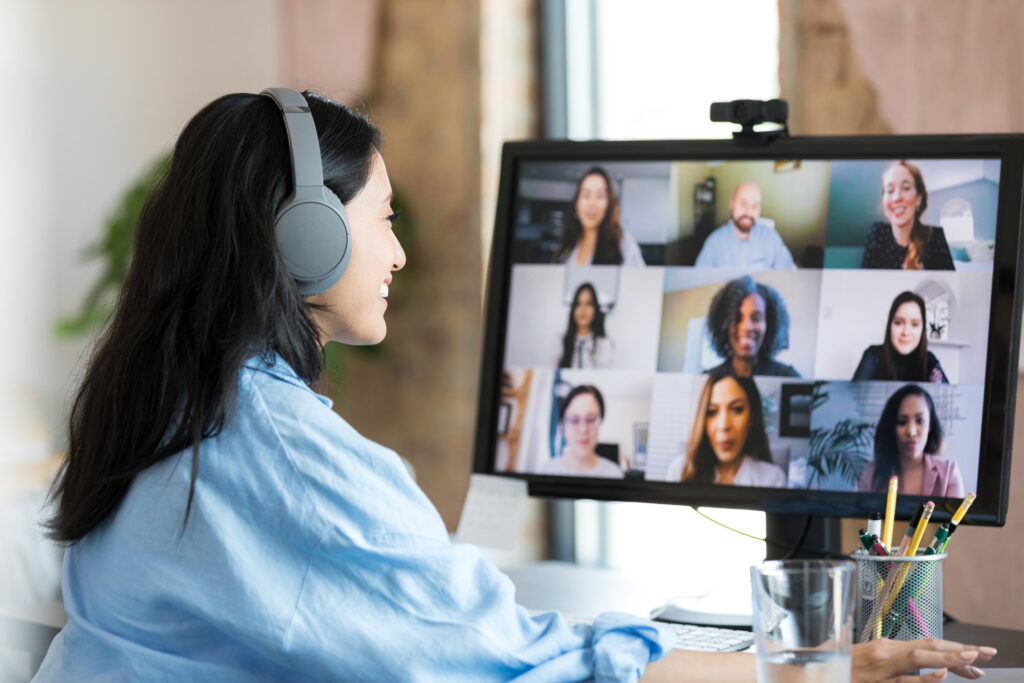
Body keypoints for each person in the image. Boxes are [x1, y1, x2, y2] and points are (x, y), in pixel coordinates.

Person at [34, 89, 994, 682]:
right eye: (386, 216)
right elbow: (516, 661)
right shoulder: (289, 458)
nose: (403, 251)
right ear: (305, 238)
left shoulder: (158, 412)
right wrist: (813, 668)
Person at [665, 371, 786, 487]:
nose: (724, 426)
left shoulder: (773, 478)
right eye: (712, 412)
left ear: (751, 418)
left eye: (737, 409)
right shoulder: (679, 470)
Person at [860, 384, 966, 497]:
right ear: (892, 427)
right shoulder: (870, 473)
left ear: (930, 425)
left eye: (920, 421)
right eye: (902, 421)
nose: (911, 432)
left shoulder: (949, 474)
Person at [861, 160, 955, 270]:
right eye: (890, 190)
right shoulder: (877, 233)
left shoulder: (936, 237)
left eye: (906, 188)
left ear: (918, 199)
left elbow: (948, 285)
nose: (896, 197)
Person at [704, 275, 800, 377]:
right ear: (723, 324)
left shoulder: (788, 376)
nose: (747, 327)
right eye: (737, 318)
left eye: (756, 318)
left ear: (769, 324)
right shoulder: (708, 378)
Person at [552, 166, 646, 266]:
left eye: (600, 195)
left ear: (609, 205)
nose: (592, 203)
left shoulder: (623, 244)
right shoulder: (568, 244)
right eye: (586, 195)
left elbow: (640, 280)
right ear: (577, 204)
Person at [693, 182, 796, 269]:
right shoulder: (714, 243)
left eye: (754, 206)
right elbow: (699, 281)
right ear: (731, 205)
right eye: (743, 204)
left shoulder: (771, 238)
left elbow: (790, 274)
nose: (748, 212)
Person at [853, 291, 949, 383]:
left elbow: (947, 396)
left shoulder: (930, 361)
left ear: (922, 329)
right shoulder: (873, 356)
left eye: (915, 324)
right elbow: (853, 396)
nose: (906, 332)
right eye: (898, 323)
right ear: (890, 325)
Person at [540, 384, 624, 478]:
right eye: (574, 420)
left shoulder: (615, 474)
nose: (583, 429)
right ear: (563, 426)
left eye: (590, 419)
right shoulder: (546, 471)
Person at [557, 282, 614, 368]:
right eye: (578, 304)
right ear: (573, 309)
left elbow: (604, 377)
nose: (583, 309)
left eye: (588, 304)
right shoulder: (560, 341)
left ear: (595, 309)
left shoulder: (604, 343)